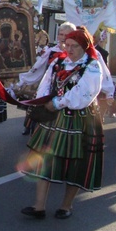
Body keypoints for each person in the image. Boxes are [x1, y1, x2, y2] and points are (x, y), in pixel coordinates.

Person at [19, 26, 104, 220]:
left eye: (75, 45)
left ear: (84, 47)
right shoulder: (58, 62)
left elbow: (84, 94)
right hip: (54, 118)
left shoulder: (91, 66)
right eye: (68, 44)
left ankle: (66, 205)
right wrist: (39, 103)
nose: (70, 49)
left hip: (78, 118)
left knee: (75, 162)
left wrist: (56, 103)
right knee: (43, 158)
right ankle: (39, 206)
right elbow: (46, 84)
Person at [12, 23, 75, 135]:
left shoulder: (76, 53)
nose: (63, 37)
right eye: (61, 34)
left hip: (68, 90)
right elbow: (37, 68)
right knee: (43, 113)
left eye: (67, 35)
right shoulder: (51, 51)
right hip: (50, 87)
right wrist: (22, 81)